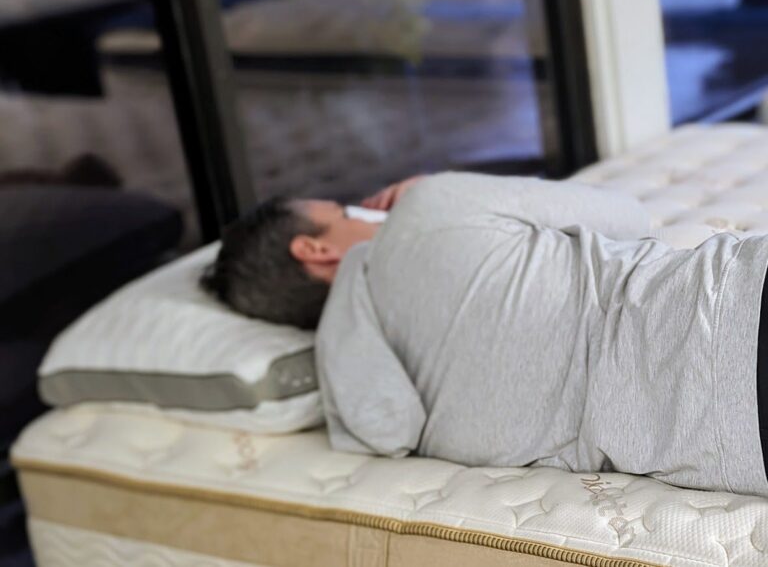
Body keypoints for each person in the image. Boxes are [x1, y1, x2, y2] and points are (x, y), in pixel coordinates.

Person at [202, 172, 768, 497]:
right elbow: (627, 214)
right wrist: (432, 186)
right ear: (315, 249)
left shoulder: (395, 410)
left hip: (741, 452)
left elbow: (387, 424)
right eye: (343, 208)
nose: (363, 209)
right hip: (735, 302)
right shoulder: (425, 209)